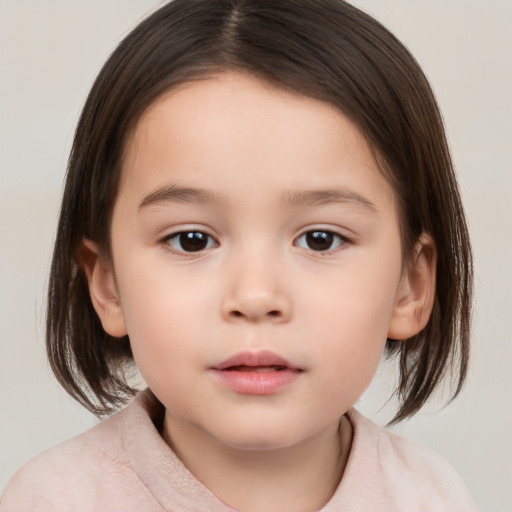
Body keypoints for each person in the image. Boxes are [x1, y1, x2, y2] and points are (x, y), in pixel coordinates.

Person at [1, 0, 479, 510]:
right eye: (191, 240)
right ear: (107, 285)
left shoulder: (432, 496)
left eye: (321, 239)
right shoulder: (55, 499)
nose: (255, 296)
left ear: (412, 286)